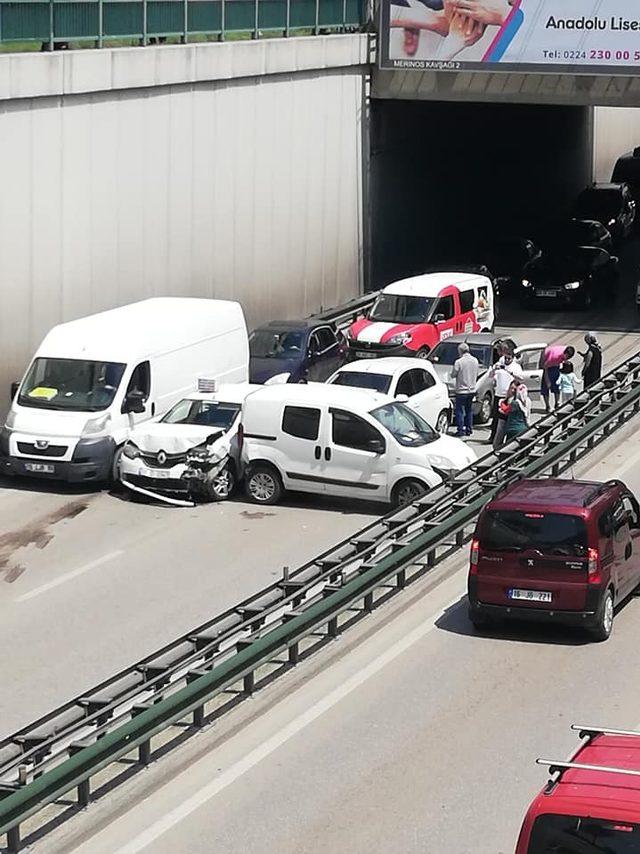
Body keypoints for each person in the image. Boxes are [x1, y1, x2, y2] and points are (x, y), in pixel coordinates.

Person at [488, 350, 523, 443]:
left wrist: (510, 372)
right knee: (496, 418)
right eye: (505, 358)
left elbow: (521, 379)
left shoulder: (516, 367)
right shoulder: (499, 364)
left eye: (509, 358)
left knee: (507, 418)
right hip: (498, 395)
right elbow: (490, 376)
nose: (507, 360)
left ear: (513, 357)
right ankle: (493, 437)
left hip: (509, 396)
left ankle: (508, 439)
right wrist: (494, 369)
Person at [451, 342, 479, 438]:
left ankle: (460, 430)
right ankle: (469, 429)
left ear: (460, 351)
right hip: (472, 389)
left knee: (460, 411)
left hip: (461, 390)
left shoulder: (459, 362)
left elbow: (453, 374)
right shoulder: (475, 360)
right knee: (469, 410)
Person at [541, 345, 575, 413]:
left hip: (555, 366)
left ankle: (557, 403)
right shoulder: (554, 356)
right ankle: (547, 406)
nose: (567, 359)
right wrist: (547, 380)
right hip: (548, 365)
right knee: (546, 387)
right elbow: (545, 367)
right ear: (565, 354)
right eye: (567, 357)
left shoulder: (565, 351)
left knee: (557, 386)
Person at [493, 378, 518, 451]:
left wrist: (504, 410)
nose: (512, 390)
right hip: (502, 420)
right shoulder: (507, 397)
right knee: (497, 442)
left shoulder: (515, 400)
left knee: (506, 443)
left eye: (514, 389)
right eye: (511, 388)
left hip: (509, 421)